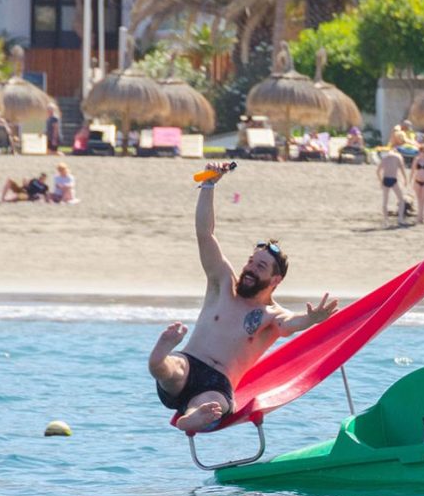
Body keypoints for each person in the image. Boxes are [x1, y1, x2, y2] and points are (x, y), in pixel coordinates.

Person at [148, 163, 339, 432]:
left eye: (260, 267)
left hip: (218, 384)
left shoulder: (271, 316)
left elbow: (292, 323)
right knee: (167, 370)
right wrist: (209, 185)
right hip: (188, 363)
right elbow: (205, 234)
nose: (249, 269)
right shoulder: (222, 282)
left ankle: (191, 417)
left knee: (216, 404)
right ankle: (159, 360)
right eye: (251, 262)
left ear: (275, 281)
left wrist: (312, 318)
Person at [377, 147, 408, 226]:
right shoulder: (398, 157)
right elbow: (402, 169)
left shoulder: (385, 158)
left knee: (385, 201)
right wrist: (405, 179)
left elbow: (378, 171)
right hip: (393, 179)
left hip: (385, 179)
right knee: (401, 199)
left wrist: (380, 181)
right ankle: (400, 218)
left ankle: (385, 220)